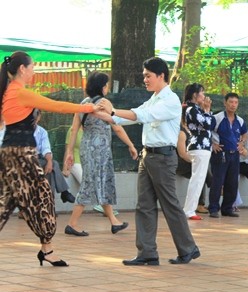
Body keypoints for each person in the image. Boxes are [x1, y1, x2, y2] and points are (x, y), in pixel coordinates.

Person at [97, 56, 200, 265]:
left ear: (161, 75)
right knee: (144, 205)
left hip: (163, 158)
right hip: (148, 156)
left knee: (170, 205)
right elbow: (136, 114)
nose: (145, 79)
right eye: (144, 76)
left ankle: (188, 249)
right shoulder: (154, 98)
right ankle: (147, 253)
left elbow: (144, 116)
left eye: (148, 76)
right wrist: (108, 117)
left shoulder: (169, 100)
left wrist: (114, 111)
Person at [0, 51, 98, 266]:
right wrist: (90, 107)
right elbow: (58, 106)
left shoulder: (9, 92)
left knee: (6, 202)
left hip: (11, 153)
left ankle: (47, 249)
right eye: (33, 66)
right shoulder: (19, 93)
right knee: (43, 197)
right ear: (23, 69)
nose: (34, 70)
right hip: (21, 154)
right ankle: (47, 248)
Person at [64, 71, 137, 236]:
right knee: (90, 184)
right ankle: (72, 223)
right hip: (100, 150)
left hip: (86, 148)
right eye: (106, 84)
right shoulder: (104, 103)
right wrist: (131, 145)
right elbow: (116, 125)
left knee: (102, 182)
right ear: (102, 86)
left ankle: (113, 221)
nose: (107, 87)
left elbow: (75, 129)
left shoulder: (83, 103)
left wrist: (69, 152)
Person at [62, 126, 119, 216]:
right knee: (88, 183)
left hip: (88, 162)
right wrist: (65, 167)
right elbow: (68, 149)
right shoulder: (73, 129)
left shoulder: (91, 129)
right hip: (75, 162)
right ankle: (101, 207)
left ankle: (106, 209)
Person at [209, 92, 248, 218]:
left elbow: (245, 133)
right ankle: (214, 208)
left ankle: (227, 208)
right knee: (217, 182)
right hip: (220, 154)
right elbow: (205, 130)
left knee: (232, 183)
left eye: (236, 102)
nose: (233, 105)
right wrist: (212, 144)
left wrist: (242, 143)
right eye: (231, 102)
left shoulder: (240, 120)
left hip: (235, 155)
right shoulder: (217, 118)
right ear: (225, 103)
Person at [182, 83, 214, 220]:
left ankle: (190, 209)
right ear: (195, 95)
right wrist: (207, 110)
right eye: (202, 92)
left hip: (203, 148)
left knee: (199, 179)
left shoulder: (197, 109)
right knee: (197, 179)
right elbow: (208, 124)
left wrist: (206, 110)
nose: (204, 95)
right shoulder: (192, 109)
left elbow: (210, 123)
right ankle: (189, 210)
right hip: (199, 147)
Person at [33, 110, 76, 204]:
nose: (34, 119)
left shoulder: (42, 132)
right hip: (27, 160)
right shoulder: (22, 131)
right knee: (54, 165)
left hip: (40, 159)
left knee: (51, 170)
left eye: (36, 116)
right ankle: (64, 193)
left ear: (39, 117)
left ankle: (49, 206)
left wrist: (49, 162)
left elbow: (46, 149)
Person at [176, 124, 211, 215]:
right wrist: (195, 161)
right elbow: (182, 154)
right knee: (201, 170)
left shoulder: (198, 131)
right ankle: (215, 188)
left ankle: (201, 203)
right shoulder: (182, 132)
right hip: (180, 163)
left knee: (201, 172)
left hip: (191, 162)